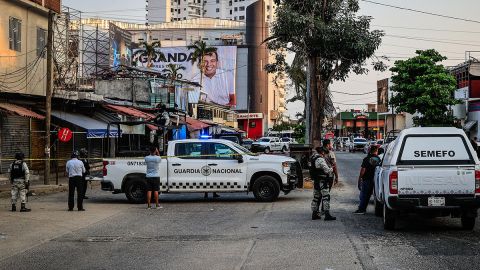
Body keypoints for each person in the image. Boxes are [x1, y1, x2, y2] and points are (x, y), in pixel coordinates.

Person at [310, 147, 336, 221]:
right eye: (324, 153)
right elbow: (327, 170)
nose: (325, 155)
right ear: (322, 152)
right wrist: (332, 168)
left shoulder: (313, 158)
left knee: (316, 197)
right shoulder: (320, 159)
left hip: (316, 180)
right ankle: (327, 214)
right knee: (326, 197)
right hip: (323, 180)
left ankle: (314, 214)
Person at [354, 145, 381, 214]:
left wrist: (360, 178)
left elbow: (363, 170)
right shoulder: (379, 159)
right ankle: (377, 211)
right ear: (376, 151)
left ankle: (361, 209)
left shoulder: (366, 159)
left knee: (364, 195)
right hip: (376, 180)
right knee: (375, 195)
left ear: (370, 150)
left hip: (367, 179)